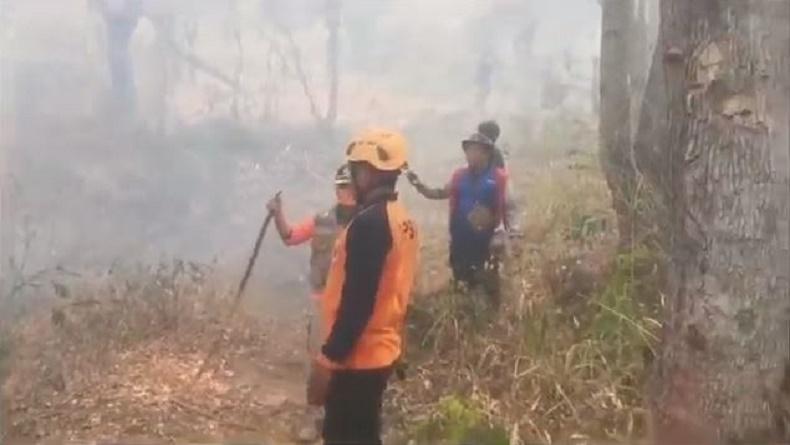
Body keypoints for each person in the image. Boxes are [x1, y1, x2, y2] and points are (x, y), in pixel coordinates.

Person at [307, 129, 419, 445]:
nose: (352, 178)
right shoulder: (401, 218)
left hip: (358, 356)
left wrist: (328, 360)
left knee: (344, 437)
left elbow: (358, 304)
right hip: (381, 350)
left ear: (368, 173)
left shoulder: (370, 224)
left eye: (355, 170)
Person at [266, 164, 357, 441]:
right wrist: (277, 214)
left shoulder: (370, 222)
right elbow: (290, 236)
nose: (346, 193)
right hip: (322, 301)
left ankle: (348, 415)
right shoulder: (321, 221)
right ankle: (314, 414)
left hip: (356, 303)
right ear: (336, 190)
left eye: (350, 187)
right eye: (342, 187)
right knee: (320, 362)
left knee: (354, 361)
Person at [407, 132, 510, 307]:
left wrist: (505, 235)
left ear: (486, 153)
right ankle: (464, 314)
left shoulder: (499, 178)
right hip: (461, 240)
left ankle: (492, 317)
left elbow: (510, 208)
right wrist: (418, 184)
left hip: (487, 243)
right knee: (461, 282)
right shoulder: (459, 176)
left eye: (475, 150)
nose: (470, 154)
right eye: (468, 150)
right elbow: (439, 193)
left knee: (489, 284)